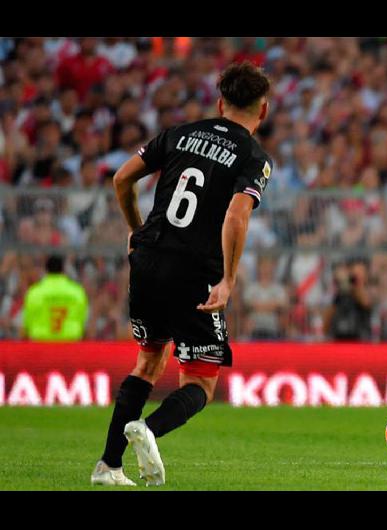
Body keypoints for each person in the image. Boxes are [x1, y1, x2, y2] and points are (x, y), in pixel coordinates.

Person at [91, 61, 273, 487]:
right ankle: (148, 430)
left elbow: (121, 179)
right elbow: (237, 215)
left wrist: (137, 231)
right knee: (201, 381)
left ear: (219, 101)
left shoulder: (179, 133)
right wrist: (228, 278)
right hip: (194, 272)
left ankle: (108, 466)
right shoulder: (253, 156)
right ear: (262, 111)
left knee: (148, 361)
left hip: (149, 259)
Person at [22, 255, 88, 341]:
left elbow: (27, 325)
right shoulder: (77, 292)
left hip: (41, 343)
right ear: (63, 270)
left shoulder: (34, 292)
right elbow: (82, 322)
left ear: (46, 270)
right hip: (70, 342)